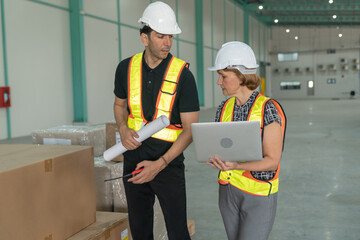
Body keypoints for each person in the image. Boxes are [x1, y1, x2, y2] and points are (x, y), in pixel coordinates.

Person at [113, 1, 199, 240]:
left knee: (178, 233)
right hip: (134, 163)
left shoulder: (183, 75)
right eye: (161, 36)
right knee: (140, 232)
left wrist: (160, 164)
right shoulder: (125, 69)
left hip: (168, 165)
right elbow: (119, 105)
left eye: (170, 36)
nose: (168, 43)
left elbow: (190, 130)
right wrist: (122, 127)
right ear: (145, 38)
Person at [206, 41, 287, 240]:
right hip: (227, 192)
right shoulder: (224, 108)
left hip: (257, 194)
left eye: (223, 77)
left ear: (241, 76)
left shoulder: (268, 108)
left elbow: (272, 161)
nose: (219, 82)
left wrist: (235, 165)